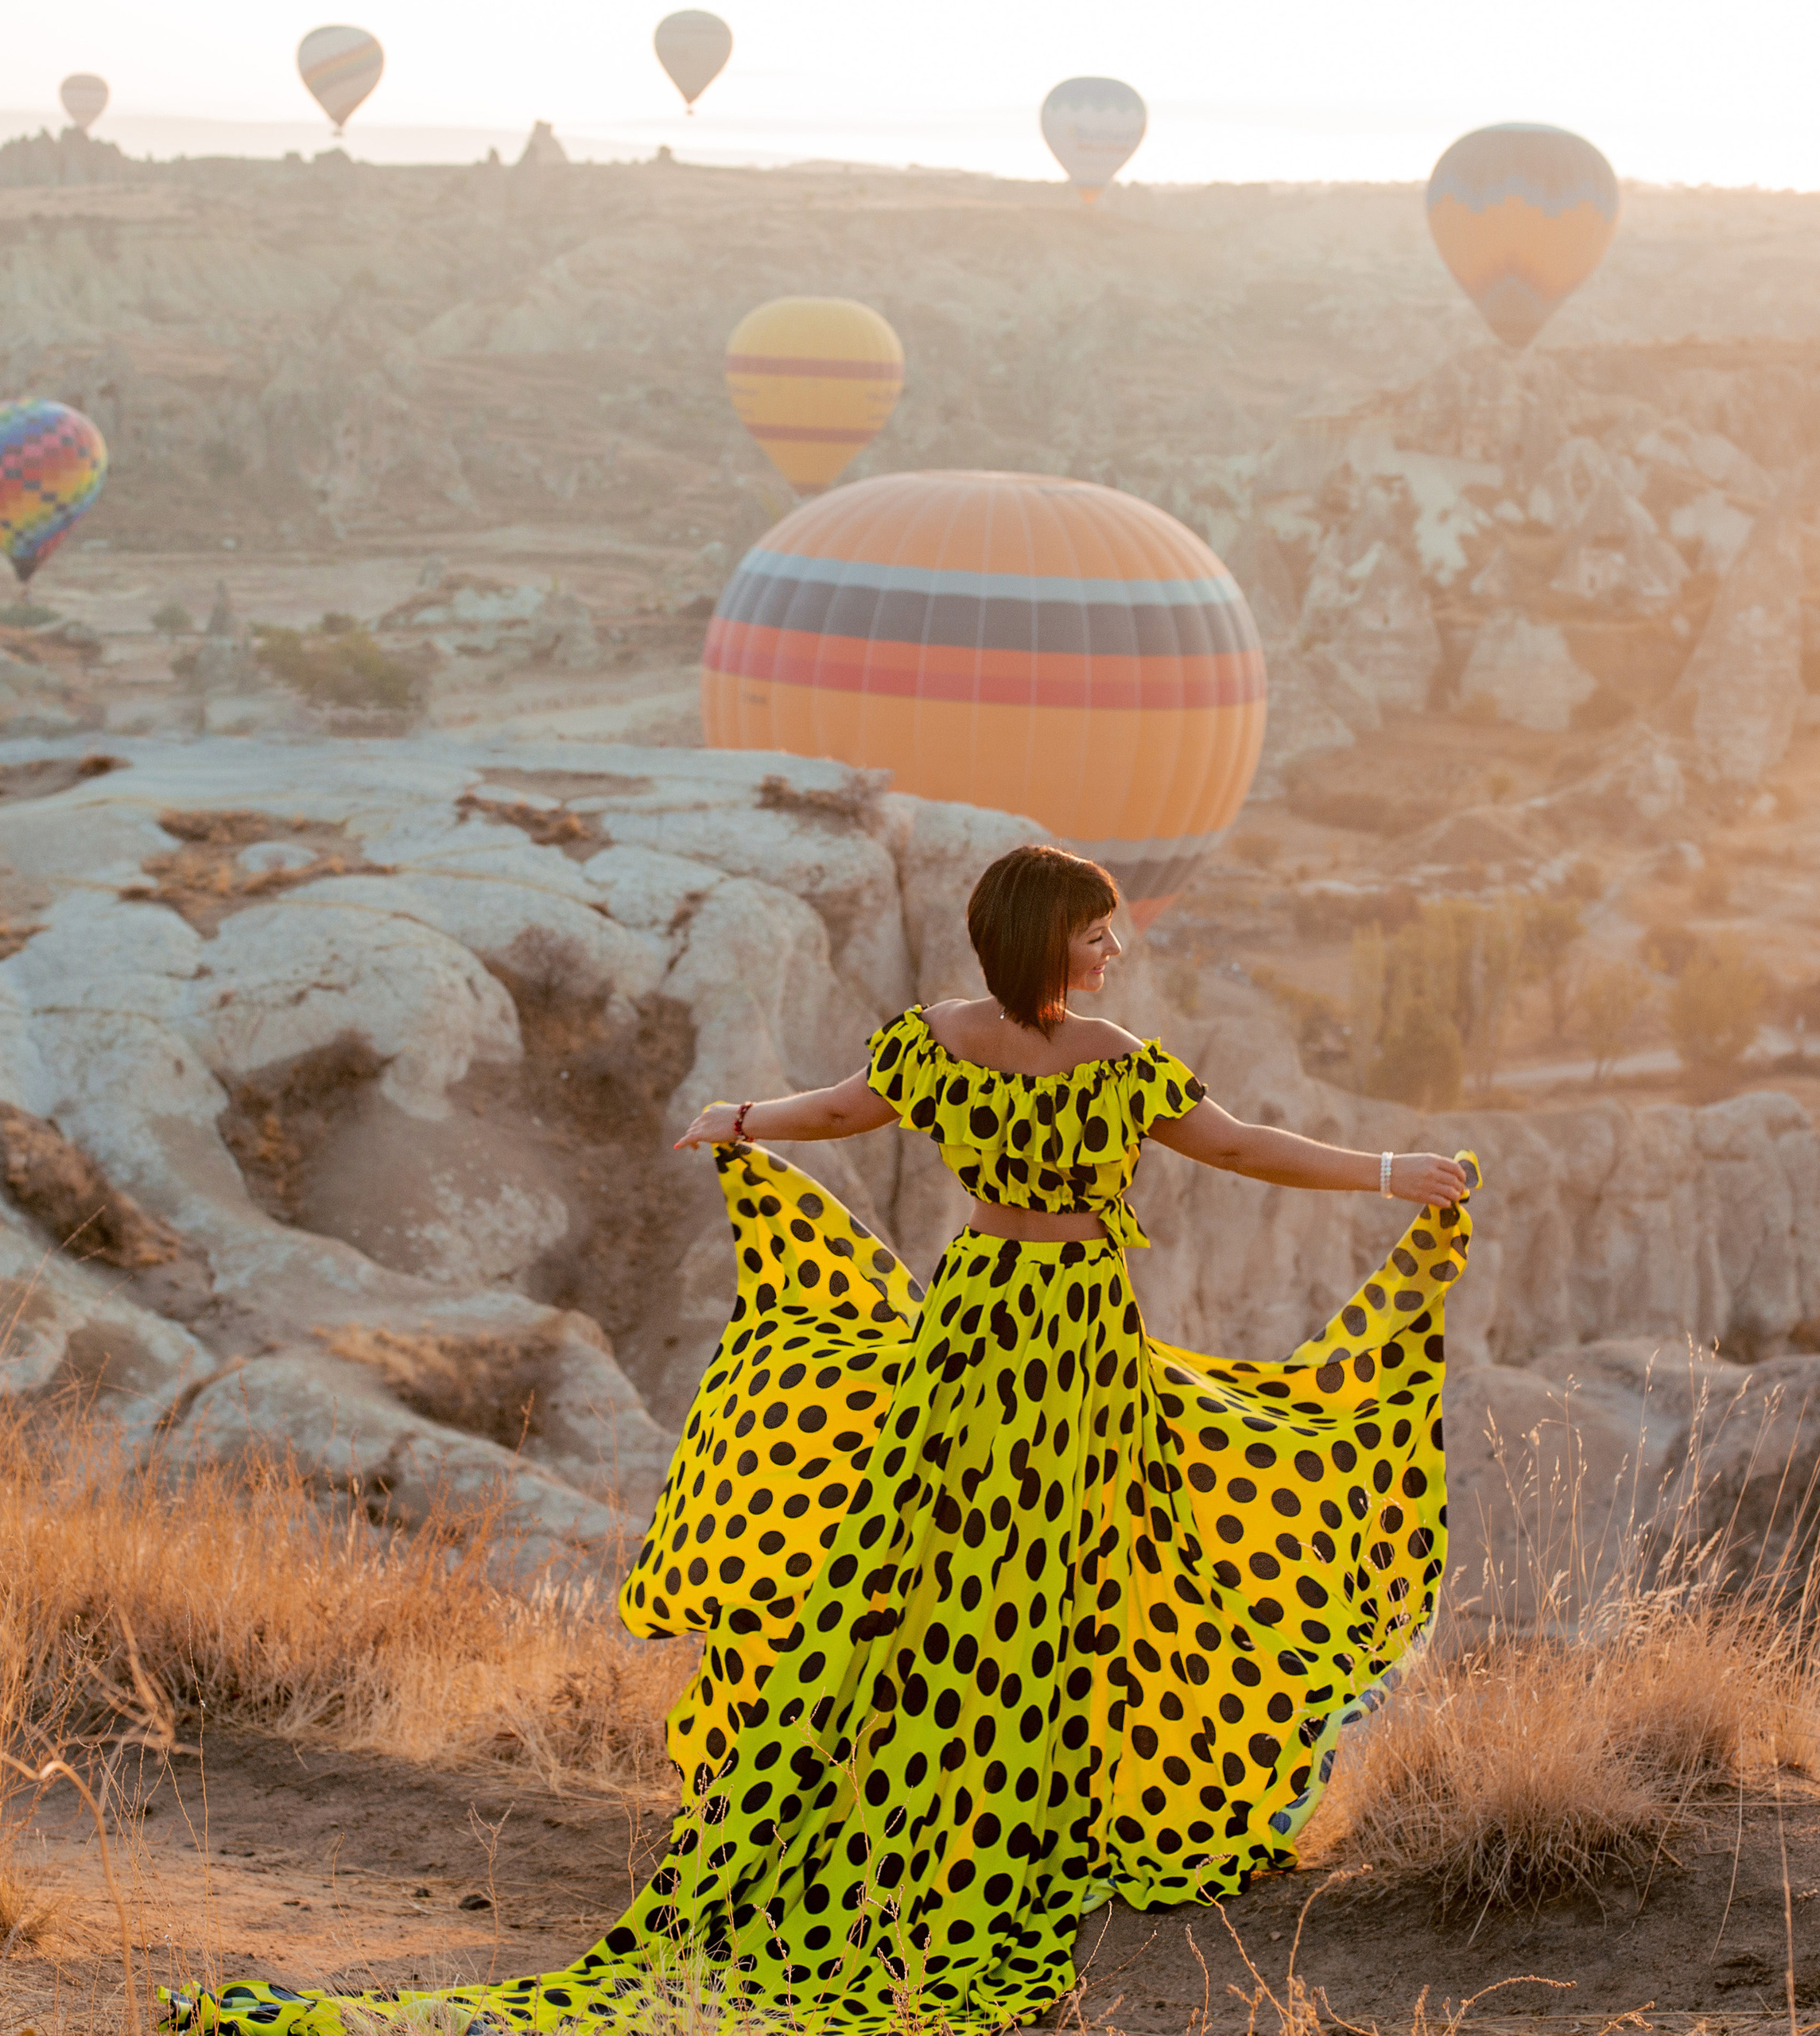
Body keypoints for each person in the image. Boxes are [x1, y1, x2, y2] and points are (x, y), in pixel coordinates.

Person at [170, 844, 1476, 2036]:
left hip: (996, 1329)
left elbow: (861, 1112)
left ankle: (965, 1811)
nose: (1112, 954)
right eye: (1095, 936)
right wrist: (745, 1126)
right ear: (1040, 938)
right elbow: (1220, 1144)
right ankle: (1005, 1831)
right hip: (1058, 1336)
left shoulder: (970, 1046)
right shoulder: (1103, 1061)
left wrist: (1381, 1172)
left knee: (969, 1577)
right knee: (1034, 1581)